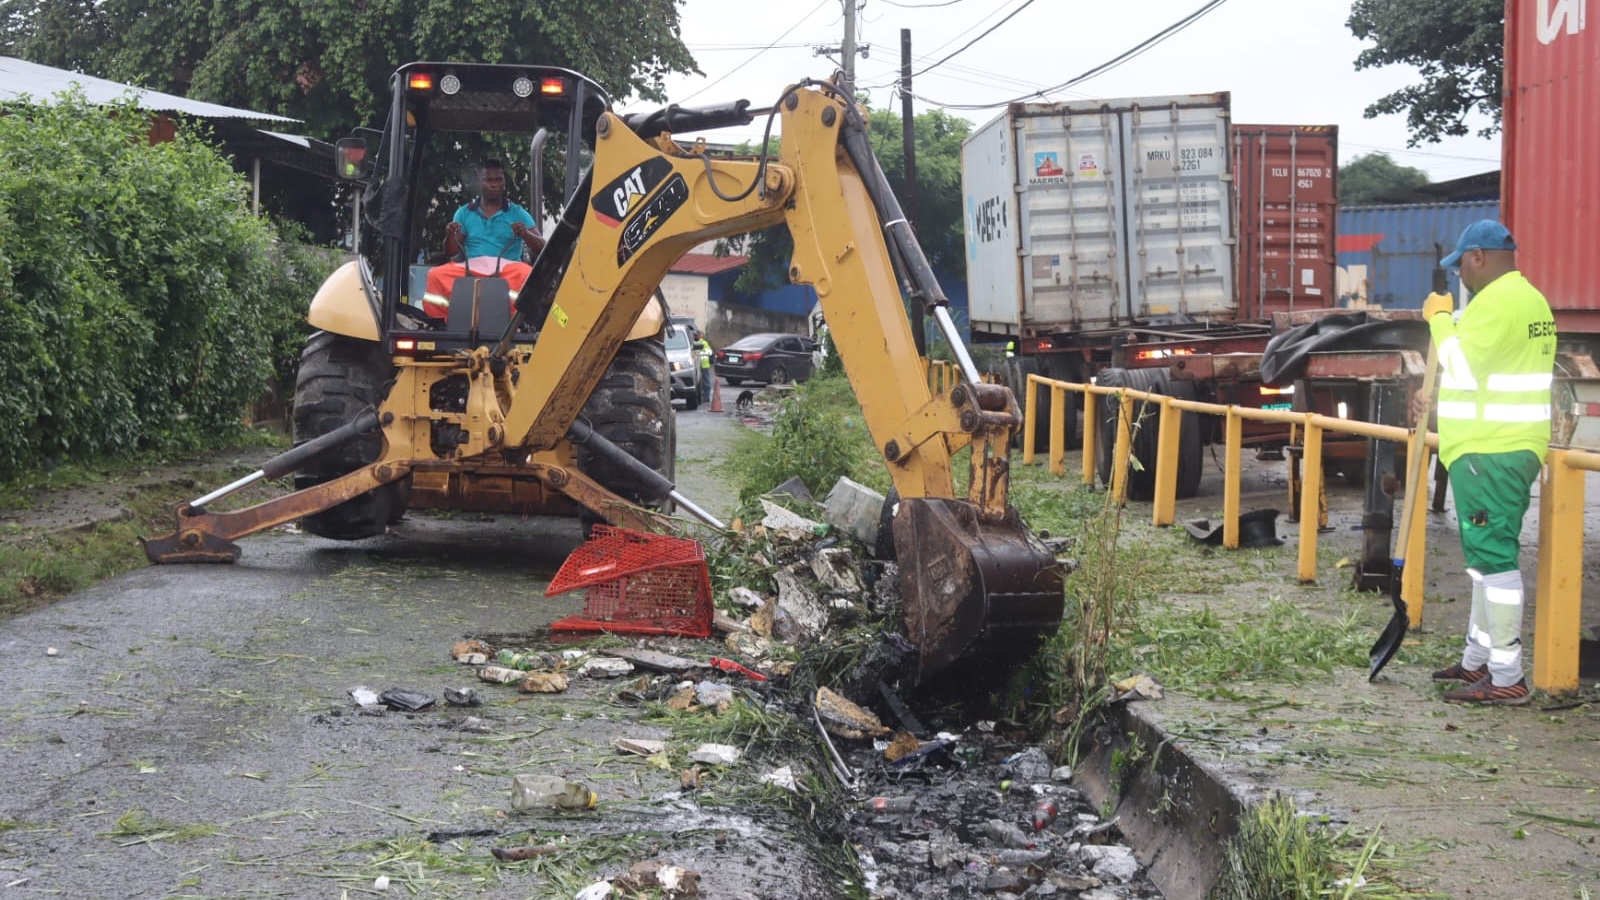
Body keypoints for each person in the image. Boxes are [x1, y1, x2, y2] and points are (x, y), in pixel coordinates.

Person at [1420, 220, 1556, 705]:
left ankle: (1506, 677)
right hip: (1502, 447)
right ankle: (1477, 660)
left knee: (1494, 563)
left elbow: (1460, 363)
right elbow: (1486, 374)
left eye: (1460, 265)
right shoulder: (1529, 300)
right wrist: (1430, 401)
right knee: (1484, 561)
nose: (1460, 276)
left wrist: (1438, 318)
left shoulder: (1496, 303)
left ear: (1477, 256)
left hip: (1490, 452)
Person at [422, 160, 544, 319]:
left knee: (527, 274)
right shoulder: (464, 213)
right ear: (480, 182)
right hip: (470, 269)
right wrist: (450, 234)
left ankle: (516, 324)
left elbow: (542, 247)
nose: (494, 184)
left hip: (507, 270)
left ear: (504, 182)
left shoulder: (518, 213)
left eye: (498, 179)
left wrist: (526, 235)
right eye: (489, 180)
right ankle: (441, 322)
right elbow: (451, 251)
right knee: (435, 275)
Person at [693, 330, 714, 406]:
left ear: (700, 335)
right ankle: (702, 396)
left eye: (696, 335)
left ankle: (707, 397)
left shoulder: (704, 343)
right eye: (694, 335)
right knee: (699, 382)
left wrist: (698, 354)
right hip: (696, 365)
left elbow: (709, 352)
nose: (695, 337)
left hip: (704, 365)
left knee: (706, 382)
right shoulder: (693, 342)